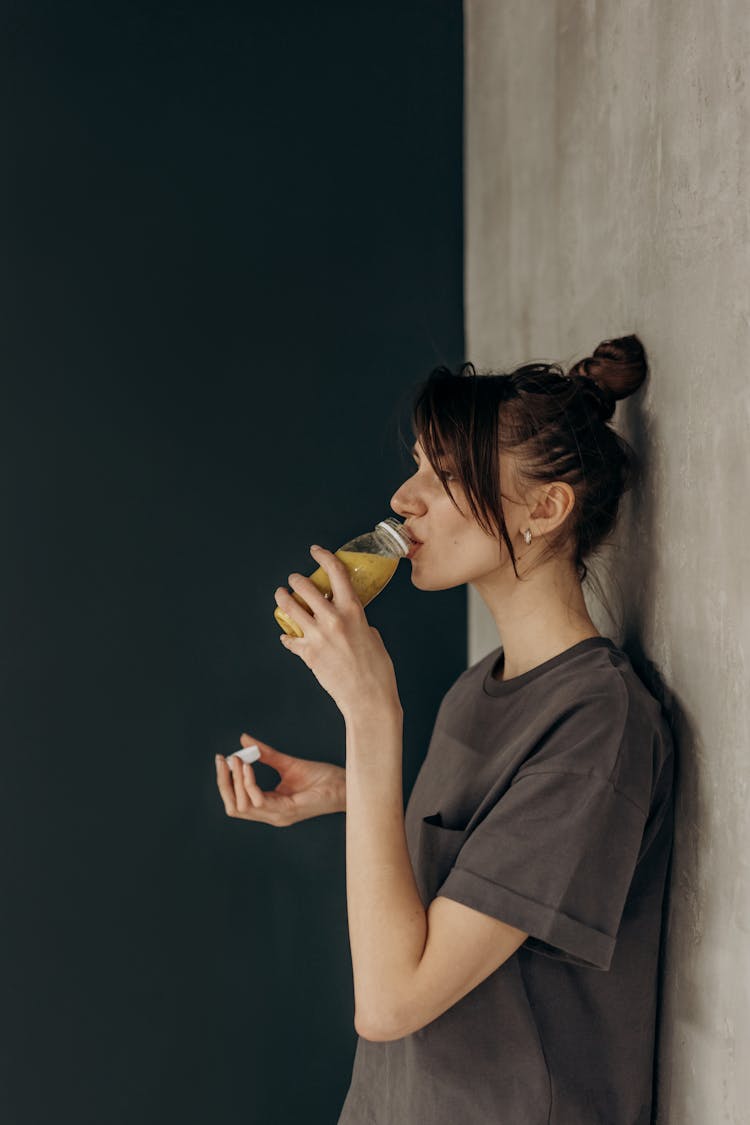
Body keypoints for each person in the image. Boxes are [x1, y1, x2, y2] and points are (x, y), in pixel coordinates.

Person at [214, 334, 675, 1125]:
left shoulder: (601, 723)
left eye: (447, 474)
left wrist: (371, 713)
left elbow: (391, 1003)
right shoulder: (479, 688)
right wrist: (350, 791)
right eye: (420, 465)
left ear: (546, 508)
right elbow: (480, 863)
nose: (404, 497)